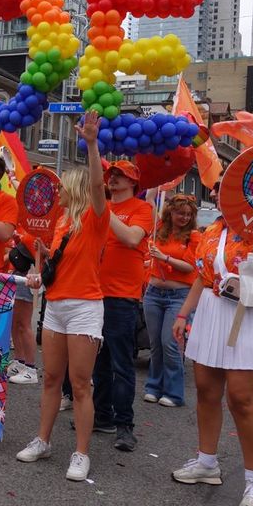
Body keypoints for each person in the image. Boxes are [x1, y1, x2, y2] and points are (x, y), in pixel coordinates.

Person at [170, 210, 253, 506]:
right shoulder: (212, 229)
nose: (217, 195)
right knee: (206, 391)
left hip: (248, 315)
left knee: (240, 398)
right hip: (213, 313)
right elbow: (202, 276)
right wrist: (184, 313)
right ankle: (206, 462)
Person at [16, 111, 108, 483]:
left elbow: (100, 187)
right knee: (52, 378)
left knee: (81, 384)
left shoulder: (97, 216)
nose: (58, 191)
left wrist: (90, 142)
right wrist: (40, 276)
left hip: (86, 308)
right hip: (56, 306)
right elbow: (57, 268)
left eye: (63, 186)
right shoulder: (62, 223)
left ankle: (81, 452)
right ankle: (43, 440)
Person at [93, 160, 154, 452]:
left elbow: (131, 238)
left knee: (121, 364)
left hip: (122, 297)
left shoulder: (143, 210)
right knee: (97, 362)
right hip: (92, 293)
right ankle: (101, 415)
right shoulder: (100, 205)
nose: (114, 179)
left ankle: (124, 425)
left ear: (133, 182)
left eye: (121, 176)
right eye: (111, 175)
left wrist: (106, 211)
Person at [143, 193, 201, 409]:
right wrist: (152, 190)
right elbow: (149, 203)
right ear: (170, 212)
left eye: (188, 214)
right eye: (179, 213)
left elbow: (191, 268)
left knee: (170, 342)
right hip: (154, 292)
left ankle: (174, 392)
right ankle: (153, 387)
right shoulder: (160, 229)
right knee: (155, 344)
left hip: (179, 296)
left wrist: (164, 257)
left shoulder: (194, 237)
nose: (184, 217)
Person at [6, 230, 41, 385]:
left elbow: (39, 256)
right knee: (15, 323)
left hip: (27, 276)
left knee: (24, 324)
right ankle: (19, 361)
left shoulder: (34, 231)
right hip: (17, 276)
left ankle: (30, 367)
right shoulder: (22, 228)